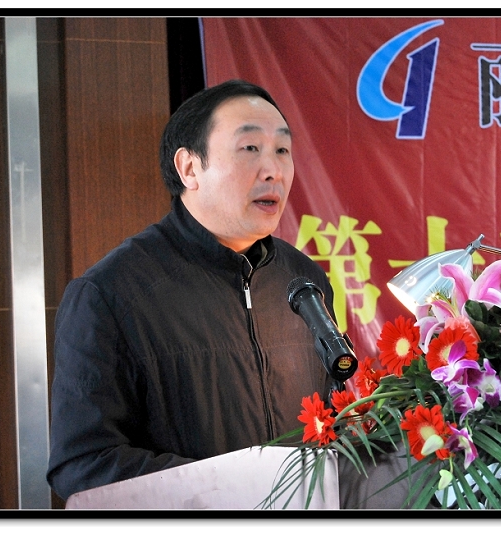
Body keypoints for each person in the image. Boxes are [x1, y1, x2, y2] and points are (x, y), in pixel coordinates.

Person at [46, 79, 334, 501]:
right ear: (189, 168)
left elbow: (334, 420)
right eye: (250, 148)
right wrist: (229, 488)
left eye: (282, 150)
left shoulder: (303, 280)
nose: (273, 170)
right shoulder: (110, 293)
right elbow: (82, 464)